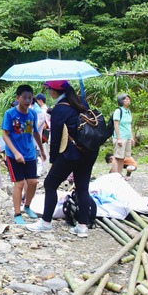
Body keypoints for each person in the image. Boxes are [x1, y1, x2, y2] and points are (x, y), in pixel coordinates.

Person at [27, 80, 98, 238]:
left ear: (54, 91)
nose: (48, 92)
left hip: (71, 153)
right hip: (89, 151)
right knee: (82, 187)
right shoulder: (80, 101)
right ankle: (82, 227)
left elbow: (56, 139)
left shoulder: (60, 108)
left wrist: (53, 161)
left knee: (50, 184)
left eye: (48, 89)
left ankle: (45, 222)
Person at [1, 85, 46, 225]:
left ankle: (27, 207)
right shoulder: (10, 114)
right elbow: (5, 135)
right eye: (24, 97)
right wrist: (15, 152)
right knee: (19, 183)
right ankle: (17, 213)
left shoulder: (32, 114)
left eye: (30, 98)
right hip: (14, 155)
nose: (27, 100)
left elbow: (36, 133)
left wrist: (42, 150)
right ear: (17, 98)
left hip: (30, 154)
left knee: (33, 182)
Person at [111, 94, 135, 177]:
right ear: (121, 101)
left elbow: (129, 125)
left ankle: (119, 174)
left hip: (127, 137)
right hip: (121, 137)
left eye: (129, 99)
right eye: (126, 99)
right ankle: (114, 175)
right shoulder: (118, 111)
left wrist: (131, 137)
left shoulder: (128, 111)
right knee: (117, 157)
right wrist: (119, 139)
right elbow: (116, 125)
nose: (128, 101)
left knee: (122, 157)